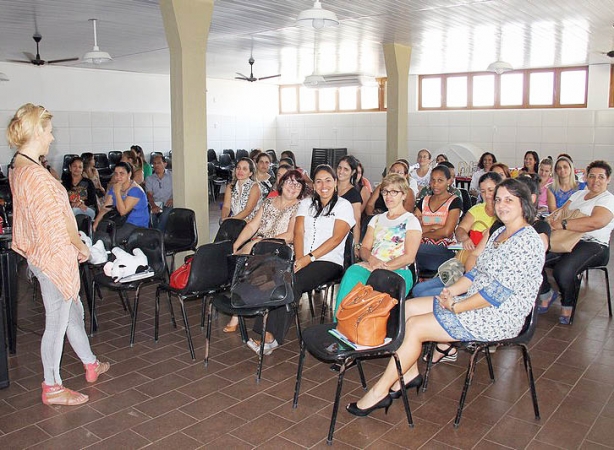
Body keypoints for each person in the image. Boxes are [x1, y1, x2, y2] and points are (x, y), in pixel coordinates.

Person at [347, 178, 545, 417]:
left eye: (509, 200)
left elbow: (496, 294)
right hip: (473, 302)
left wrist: (458, 306)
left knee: (417, 327)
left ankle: (379, 391)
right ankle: (409, 374)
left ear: (524, 204)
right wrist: (453, 290)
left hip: (498, 316)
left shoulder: (527, 241)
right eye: (498, 199)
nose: (501, 205)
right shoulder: (500, 232)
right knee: (407, 308)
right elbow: (474, 275)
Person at [7, 103, 110, 406]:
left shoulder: (18, 166)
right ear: (37, 131)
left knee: (72, 312)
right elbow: (59, 220)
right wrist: (81, 247)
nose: (52, 138)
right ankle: (51, 385)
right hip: (53, 256)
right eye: (49, 131)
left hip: (45, 252)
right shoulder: (36, 176)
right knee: (57, 320)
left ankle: (90, 363)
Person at [248, 165, 355, 355]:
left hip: (329, 261)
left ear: (336, 183)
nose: (324, 185)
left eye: (328, 180)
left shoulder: (343, 206)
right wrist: (299, 258)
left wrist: (309, 258)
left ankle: (271, 336)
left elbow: (337, 238)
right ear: (313, 184)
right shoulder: (306, 204)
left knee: (293, 281)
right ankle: (264, 329)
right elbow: (298, 232)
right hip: (303, 257)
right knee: (277, 276)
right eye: (319, 181)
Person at [224, 170, 306, 333]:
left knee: (252, 263)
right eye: (289, 182)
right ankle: (240, 303)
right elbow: (253, 226)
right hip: (257, 246)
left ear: (302, 189)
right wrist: (238, 244)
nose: (293, 186)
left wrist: (259, 242)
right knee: (236, 259)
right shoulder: (269, 202)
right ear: (281, 184)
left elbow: (290, 236)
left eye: (298, 184)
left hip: (281, 250)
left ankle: (242, 310)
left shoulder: (300, 207)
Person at [335, 174, 422, 312]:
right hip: (373, 265)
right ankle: (342, 323)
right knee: (352, 273)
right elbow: (364, 248)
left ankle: (369, 327)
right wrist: (372, 260)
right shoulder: (376, 219)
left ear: (404, 195)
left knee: (379, 281)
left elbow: (409, 257)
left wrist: (382, 267)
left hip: (398, 269)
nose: (388, 196)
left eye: (394, 192)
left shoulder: (411, 221)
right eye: (385, 191)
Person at [543, 160, 614, 324]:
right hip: (567, 239)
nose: (596, 180)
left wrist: (564, 224)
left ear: (608, 179)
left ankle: (568, 304)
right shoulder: (579, 194)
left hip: (595, 245)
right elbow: (561, 213)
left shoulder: (608, 199)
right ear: (586, 178)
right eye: (592, 176)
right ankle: (546, 292)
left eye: (601, 177)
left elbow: (596, 222)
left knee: (563, 271)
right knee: (534, 259)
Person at [411, 172, 501, 298]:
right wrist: (465, 238)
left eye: (491, 190)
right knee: (417, 290)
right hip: (461, 265)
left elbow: (447, 232)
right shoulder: (477, 210)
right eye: (483, 191)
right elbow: (460, 230)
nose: (487, 195)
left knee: (424, 294)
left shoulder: (503, 216)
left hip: (479, 271)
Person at [414, 165, 462, 272]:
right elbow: (414, 227)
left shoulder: (454, 201)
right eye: (433, 180)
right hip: (420, 247)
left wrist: (421, 233)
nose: (435, 184)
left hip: (444, 249)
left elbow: (446, 232)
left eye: (440, 180)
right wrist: (434, 227)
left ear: (449, 181)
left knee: (411, 248)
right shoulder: (424, 201)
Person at [93, 161, 149, 244]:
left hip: (135, 224)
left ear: (129, 174)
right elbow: (106, 207)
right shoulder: (115, 187)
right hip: (119, 221)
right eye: (116, 174)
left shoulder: (135, 190)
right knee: (98, 234)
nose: (118, 177)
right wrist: (96, 222)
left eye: (121, 173)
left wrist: (117, 192)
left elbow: (123, 212)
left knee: (110, 240)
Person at [221, 157, 261, 222]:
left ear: (250, 173)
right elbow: (226, 207)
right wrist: (224, 218)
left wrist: (231, 220)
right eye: (238, 168)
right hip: (234, 221)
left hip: (250, 223)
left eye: (244, 169)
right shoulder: (230, 187)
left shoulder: (255, 187)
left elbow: (248, 210)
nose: (240, 171)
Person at [336, 155, 362, 252]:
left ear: (353, 172)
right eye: (339, 168)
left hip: (343, 236)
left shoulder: (354, 195)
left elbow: (356, 222)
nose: (341, 171)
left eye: (346, 169)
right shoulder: (329, 188)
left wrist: (356, 246)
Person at [145, 154, 173, 231]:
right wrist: (153, 205)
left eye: (159, 163)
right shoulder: (149, 179)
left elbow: (179, 190)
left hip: (168, 203)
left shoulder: (172, 176)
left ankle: (158, 235)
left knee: (164, 215)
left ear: (165, 164)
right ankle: (157, 235)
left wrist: (173, 199)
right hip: (157, 203)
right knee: (151, 217)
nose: (156, 165)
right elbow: (149, 194)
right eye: (154, 163)